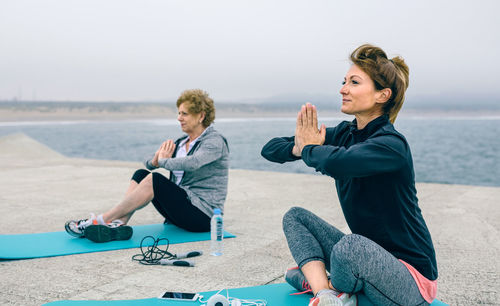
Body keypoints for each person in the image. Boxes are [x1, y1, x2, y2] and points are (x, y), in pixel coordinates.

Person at [261, 44, 437, 306]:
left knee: (350, 246)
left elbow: (340, 163)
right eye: (344, 82)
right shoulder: (345, 134)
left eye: (354, 82)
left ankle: (319, 281)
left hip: (410, 279)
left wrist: (310, 148)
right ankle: (328, 293)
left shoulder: (391, 145)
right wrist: (300, 148)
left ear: (382, 95)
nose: (343, 89)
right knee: (296, 217)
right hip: (363, 259)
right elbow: (271, 149)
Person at [65, 89, 229, 242]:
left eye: (184, 114)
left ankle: (101, 220)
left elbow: (193, 163)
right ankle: (118, 225)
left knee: (155, 180)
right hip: (181, 213)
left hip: (205, 217)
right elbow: (149, 161)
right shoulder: (181, 143)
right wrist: (156, 161)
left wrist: (164, 161)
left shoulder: (214, 141)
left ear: (201, 116)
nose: (179, 118)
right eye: (179, 113)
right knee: (141, 174)